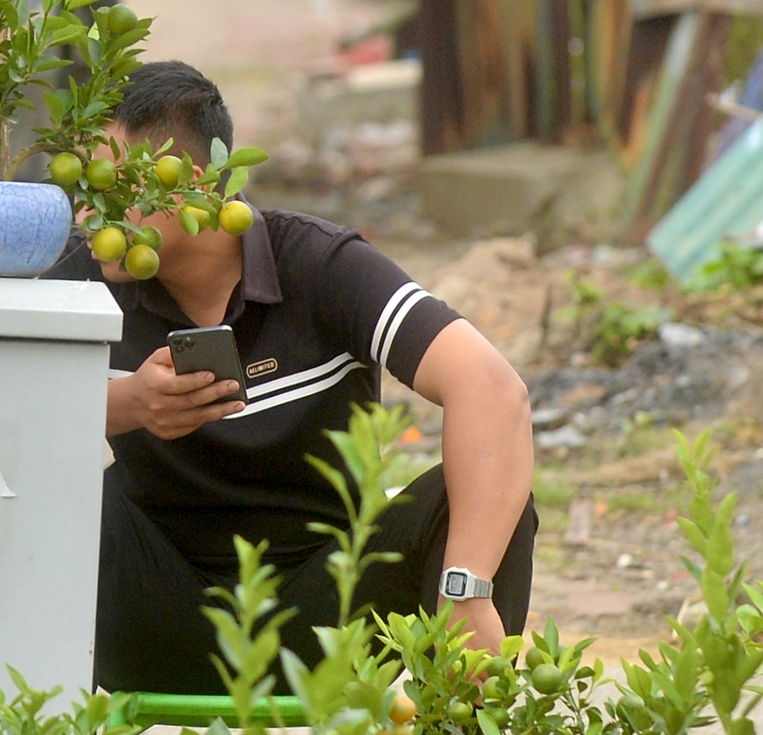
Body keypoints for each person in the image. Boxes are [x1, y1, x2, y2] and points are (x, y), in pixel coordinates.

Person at [92, 61, 536, 686]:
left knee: (487, 497)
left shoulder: (317, 265)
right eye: (82, 188)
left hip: (328, 621)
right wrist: (130, 405)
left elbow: (492, 389)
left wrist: (465, 591)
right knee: (50, 487)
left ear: (184, 184)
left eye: (109, 186)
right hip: (153, 613)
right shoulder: (80, 286)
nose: (90, 210)